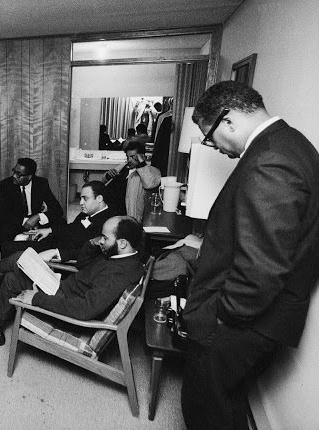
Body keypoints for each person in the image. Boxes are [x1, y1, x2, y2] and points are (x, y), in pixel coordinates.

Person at [180, 81, 319, 430]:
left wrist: (223, 315)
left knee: (204, 407)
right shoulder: (293, 144)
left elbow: (262, 265)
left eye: (209, 136)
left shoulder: (270, 160)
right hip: (268, 316)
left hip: (247, 320)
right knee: (226, 403)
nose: (212, 145)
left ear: (228, 120)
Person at [0, 216, 145, 346]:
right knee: (18, 266)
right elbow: (83, 264)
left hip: (64, 301)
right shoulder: (121, 257)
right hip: (62, 287)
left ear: (122, 243)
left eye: (105, 238)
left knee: (15, 268)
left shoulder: (119, 273)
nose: (102, 241)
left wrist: (35, 298)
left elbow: (84, 310)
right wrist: (93, 243)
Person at [0, 181, 116, 288]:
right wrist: (50, 230)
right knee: (8, 246)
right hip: (55, 242)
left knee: (20, 252)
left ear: (99, 199)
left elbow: (90, 252)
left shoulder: (108, 223)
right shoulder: (89, 213)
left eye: (85, 198)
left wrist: (57, 252)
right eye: (81, 198)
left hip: (62, 253)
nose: (80, 203)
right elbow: (71, 228)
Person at [0, 158, 64, 256]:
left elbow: (57, 210)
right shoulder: (6, 184)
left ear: (29, 177)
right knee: (3, 232)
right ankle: (5, 264)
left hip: (37, 221)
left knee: (61, 223)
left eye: (19, 174)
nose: (14, 176)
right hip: (15, 222)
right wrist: (26, 222)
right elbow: (3, 213)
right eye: (14, 171)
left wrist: (38, 217)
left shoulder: (41, 183)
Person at [103, 139, 161, 221]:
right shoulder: (124, 167)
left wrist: (141, 164)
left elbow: (149, 184)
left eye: (133, 157)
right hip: (109, 208)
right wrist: (108, 175)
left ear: (142, 156)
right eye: (127, 157)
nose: (129, 160)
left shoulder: (151, 171)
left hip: (124, 214)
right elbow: (104, 180)